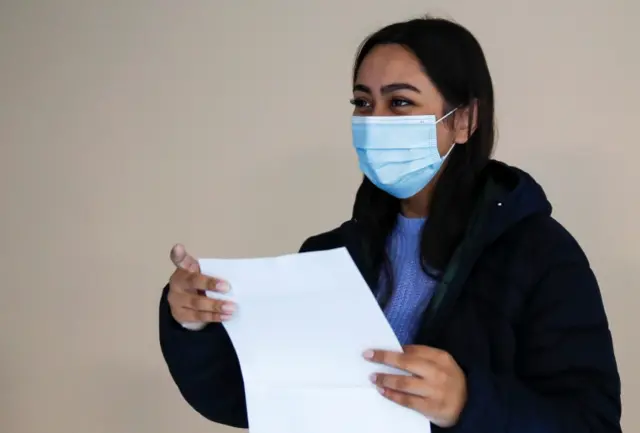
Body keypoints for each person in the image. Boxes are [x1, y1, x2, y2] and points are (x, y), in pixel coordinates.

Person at [158, 15, 622, 432]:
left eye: (399, 103)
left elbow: (591, 421)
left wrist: (469, 403)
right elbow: (253, 400)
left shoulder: (539, 254)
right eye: (363, 103)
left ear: (463, 120)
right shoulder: (329, 255)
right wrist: (192, 321)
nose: (374, 121)